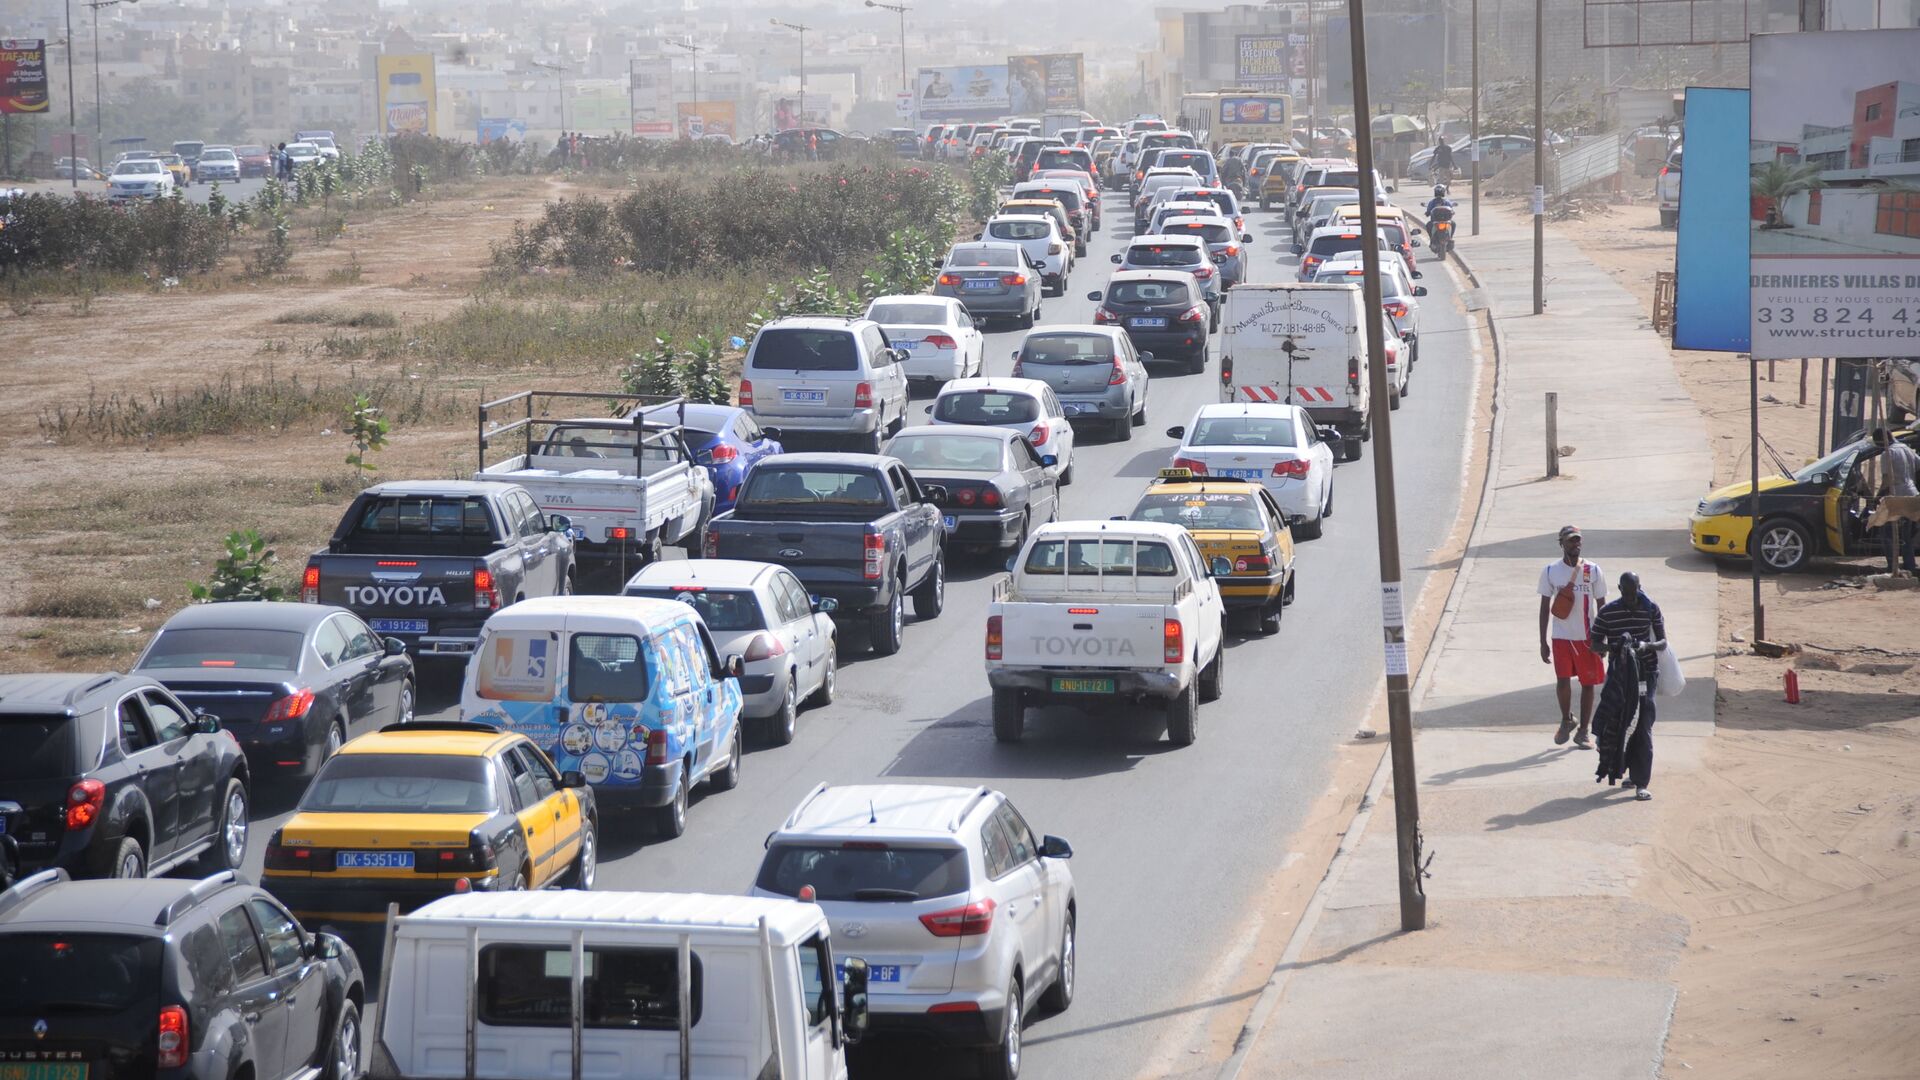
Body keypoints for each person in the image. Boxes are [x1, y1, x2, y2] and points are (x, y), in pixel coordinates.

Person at [1589, 572, 1667, 800]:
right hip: (1620, 679)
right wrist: (1614, 649)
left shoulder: (1650, 607)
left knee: (1643, 726)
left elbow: (1662, 643)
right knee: (1619, 725)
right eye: (1628, 593)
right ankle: (1626, 770)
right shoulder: (1608, 612)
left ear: (1640, 587)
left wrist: (1645, 646)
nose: (1633, 598)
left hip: (1646, 676)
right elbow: (1594, 644)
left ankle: (1641, 782)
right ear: (1620, 589)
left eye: (1636, 592)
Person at [1538, 524, 1608, 748]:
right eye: (1570, 540)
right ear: (1561, 544)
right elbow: (1544, 607)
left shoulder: (1593, 570)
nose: (1575, 544)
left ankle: (1584, 732)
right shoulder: (1551, 571)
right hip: (1561, 637)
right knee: (1562, 681)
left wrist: (1603, 639)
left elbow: (1602, 605)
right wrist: (1542, 641)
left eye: (1578, 540)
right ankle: (1567, 719)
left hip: (1588, 638)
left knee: (1588, 683)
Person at [1872, 426, 1919, 575]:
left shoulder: (1887, 453)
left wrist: (1877, 497)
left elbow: (1887, 480)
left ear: (1881, 440)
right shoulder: (1907, 449)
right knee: (1906, 535)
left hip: (1897, 497)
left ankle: (1893, 566)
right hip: (1913, 494)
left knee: (1886, 533)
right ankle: (1910, 565)